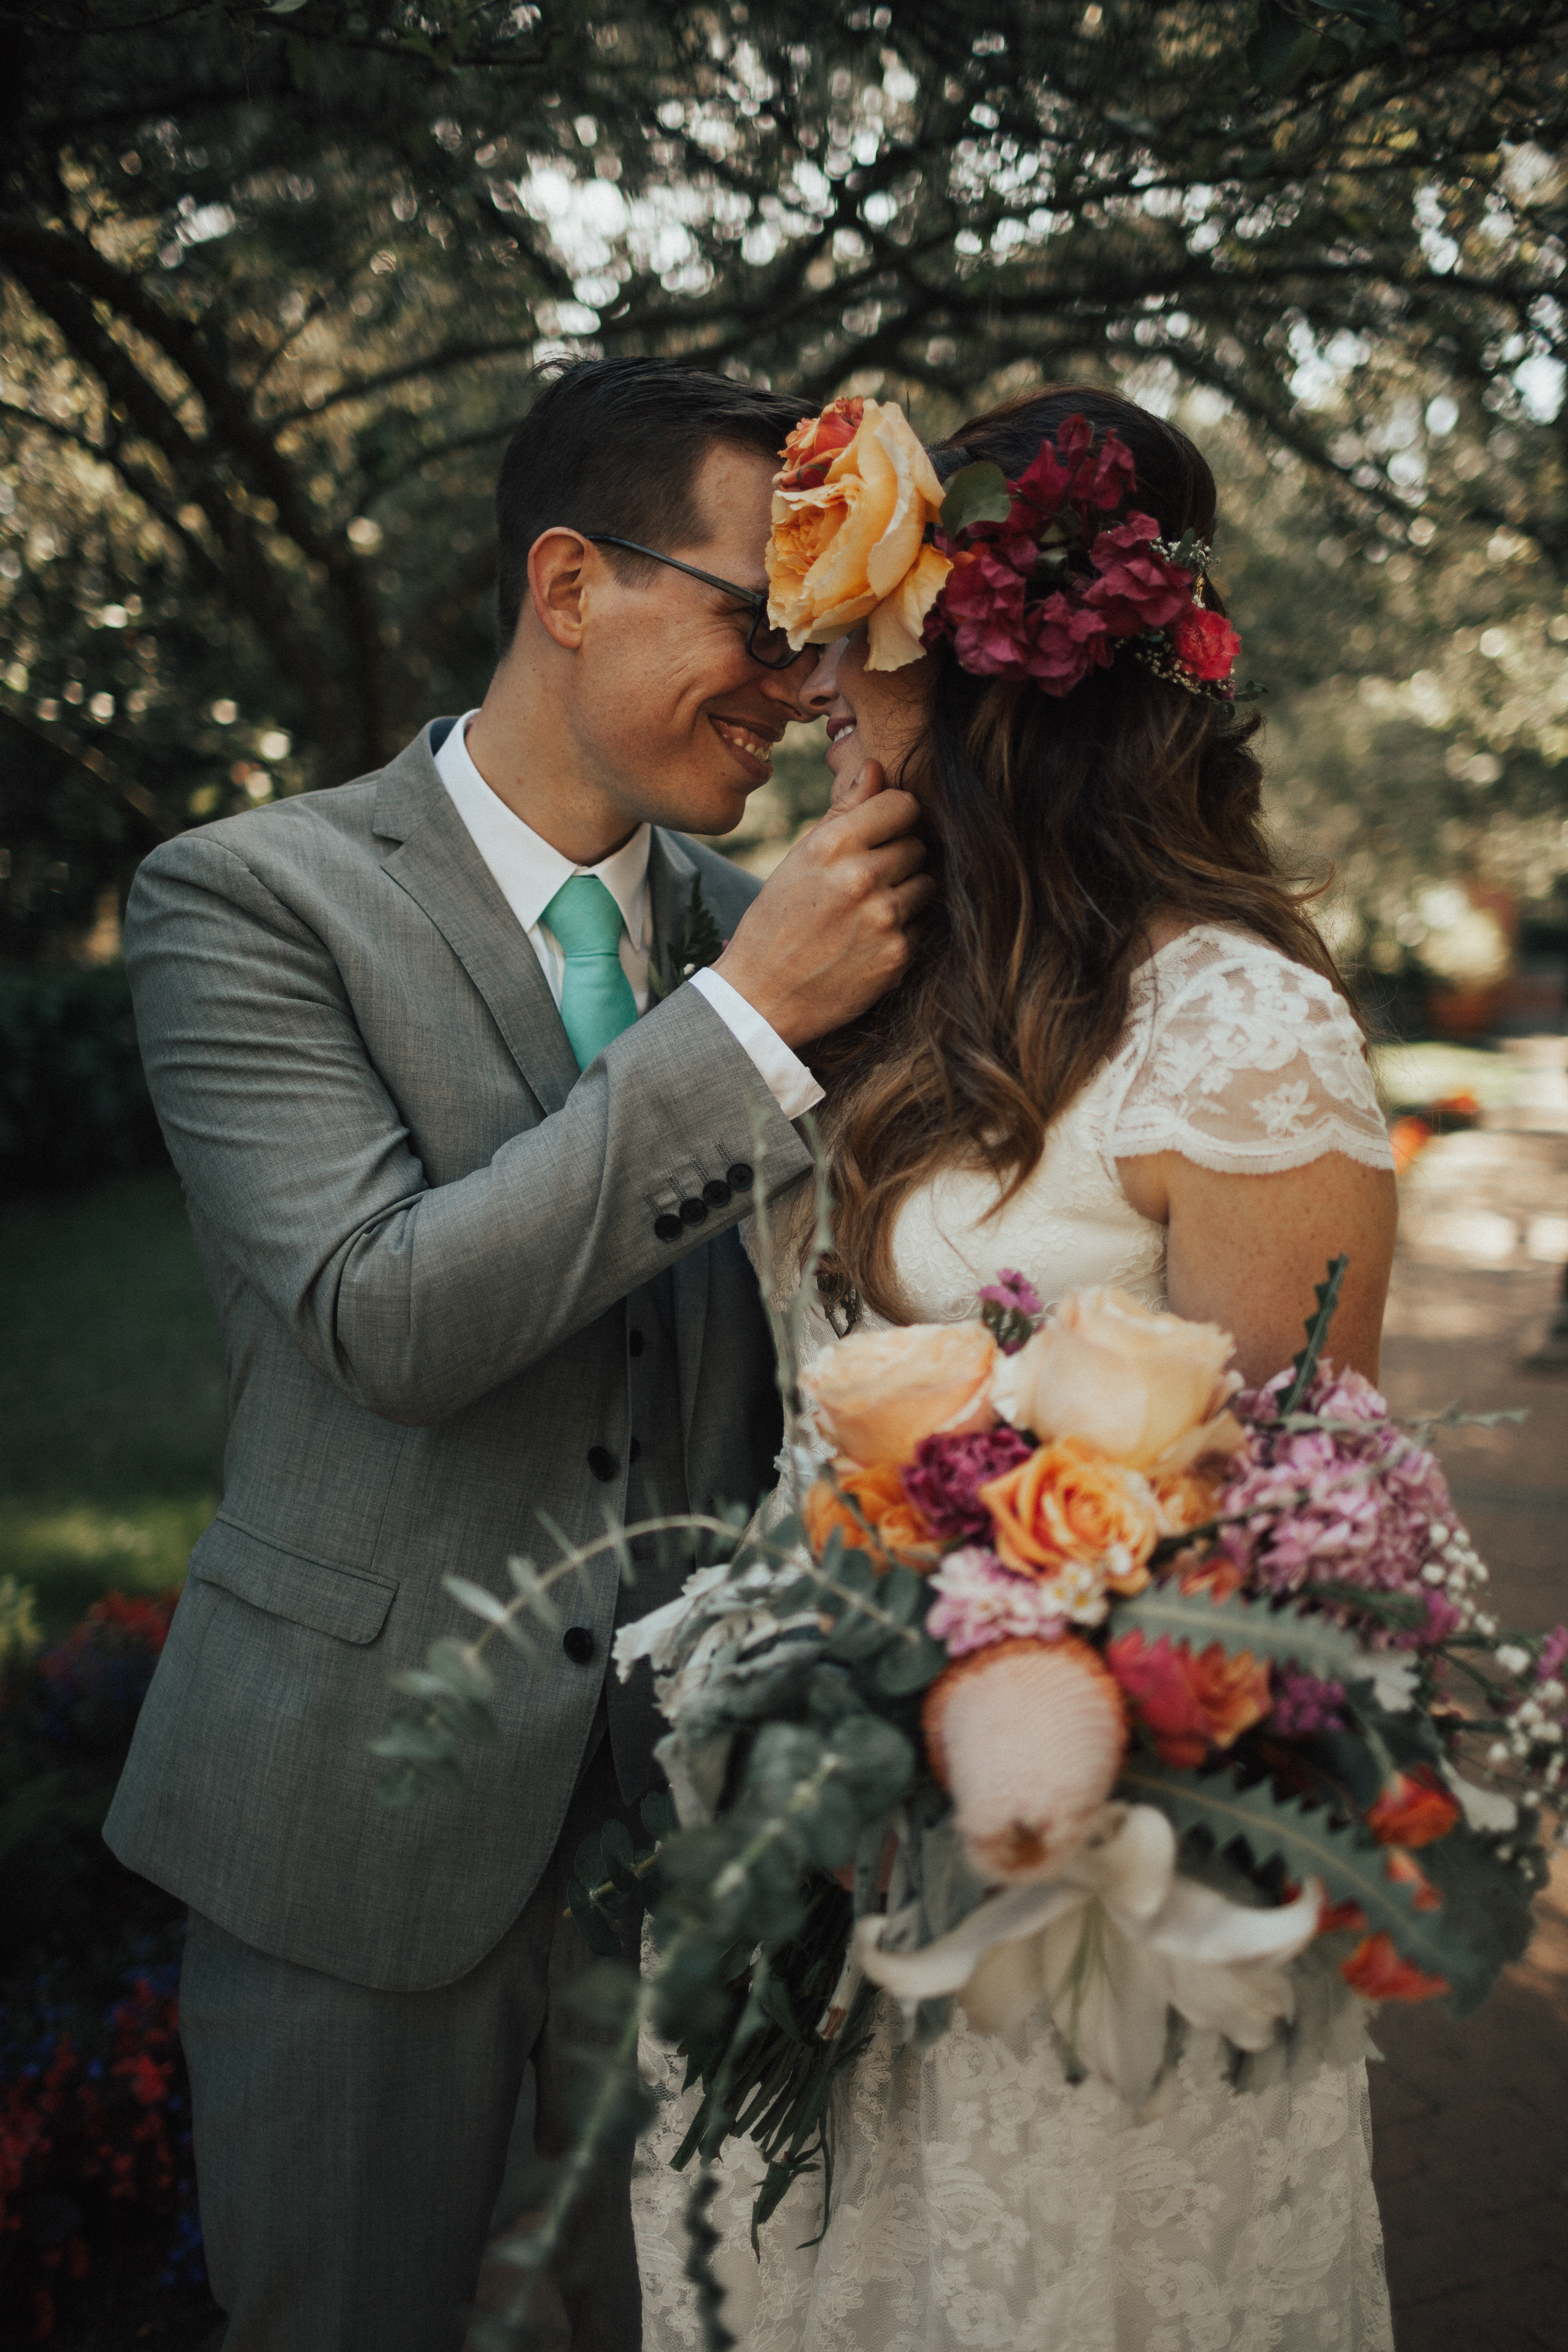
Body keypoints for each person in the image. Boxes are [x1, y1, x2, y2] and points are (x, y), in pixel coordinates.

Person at [105, 356, 934, 2352]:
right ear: (572, 585)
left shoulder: (788, 929)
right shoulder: (247, 900)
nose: (800, 684)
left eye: (826, 640)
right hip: (344, 1822)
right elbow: (386, 1317)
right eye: (760, 619)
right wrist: (739, 1031)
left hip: (694, 1844)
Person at [633, 385, 1399, 2351]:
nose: (816, 694)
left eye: (862, 657)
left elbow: (1306, 1551)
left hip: (1080, 1893)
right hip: (810, 1824)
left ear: (994, 690)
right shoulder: (875, 968)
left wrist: (1013, 1728)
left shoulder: (1240, 1029)